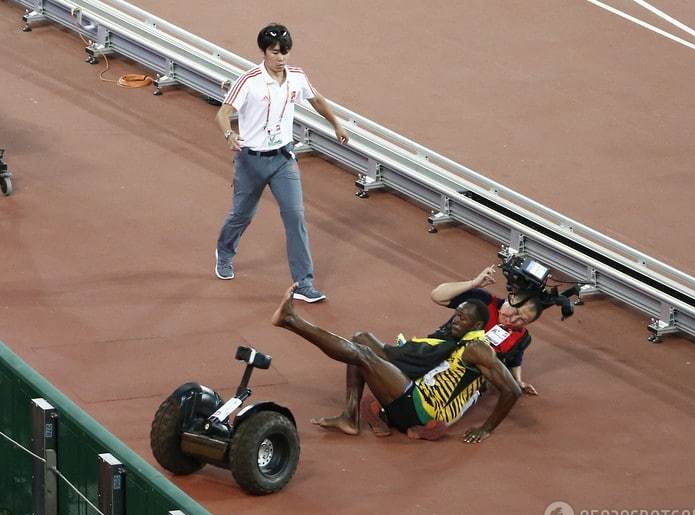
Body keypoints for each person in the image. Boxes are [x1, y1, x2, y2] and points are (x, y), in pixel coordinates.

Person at [271, 284, 522, 443]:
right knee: (361, 340)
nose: (455, 321)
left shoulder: (478, 348)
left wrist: (486, 428)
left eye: (462, 319)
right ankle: (350, 416)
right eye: (456, 315)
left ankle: (292, 321)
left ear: (477, 326)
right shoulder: (457, 338)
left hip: (423, 409)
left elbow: (512, 390)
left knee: (362, 355)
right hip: (414, 392)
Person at [214, 23, 348, 303]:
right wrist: (230, 134)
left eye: (285, 52)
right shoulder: (249, 80)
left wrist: (336, 123)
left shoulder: (297, 77)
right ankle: (224, 253)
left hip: (283, 159)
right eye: (275, 52)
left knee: (295, 216)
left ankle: (303, 283)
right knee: (242, 215)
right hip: (251, 161)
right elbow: (223, 113)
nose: (281, 57)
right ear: (264, 51)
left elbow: (317, 100)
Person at [430, 265, 541, 395]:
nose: (512, 320)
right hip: (438, 355)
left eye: (522, 320)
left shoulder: (521, 337)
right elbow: (437, 296)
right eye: (515, 311)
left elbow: (515, 360)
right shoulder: (483, 301)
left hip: (462, 381)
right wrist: (473, 283)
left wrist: (518, 381)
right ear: (511, 298)